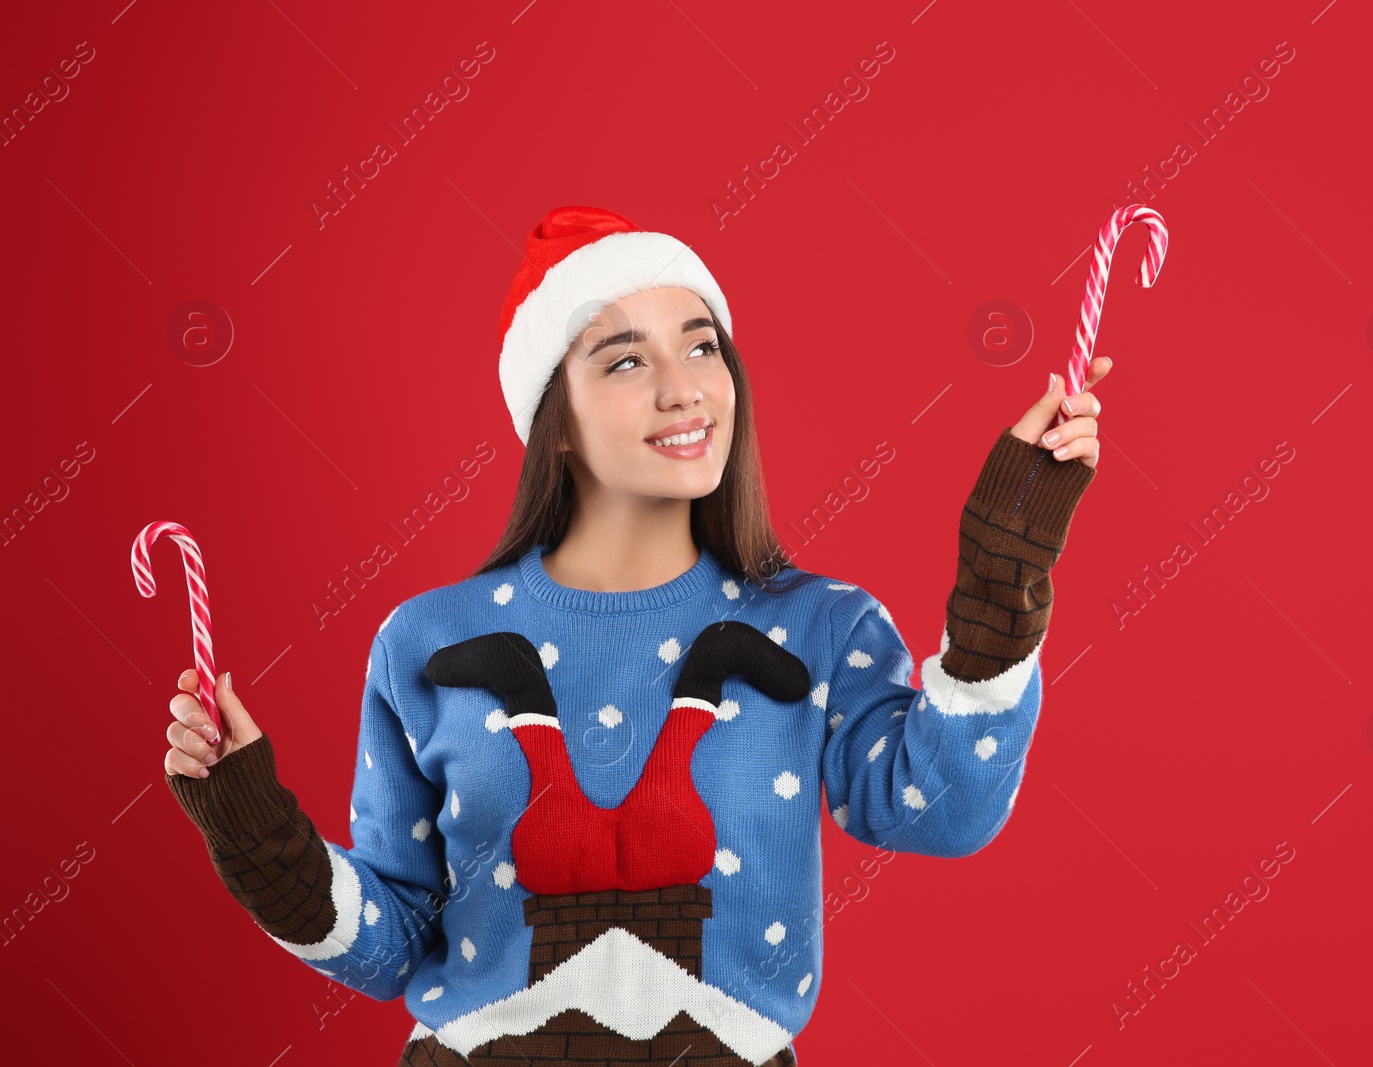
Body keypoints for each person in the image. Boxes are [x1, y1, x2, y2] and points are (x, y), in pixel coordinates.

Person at [163, 205, 1106, 1066]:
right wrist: (253, 830)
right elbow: (394, 945)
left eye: (702, 348)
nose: (683, 390)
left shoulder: (821, 626)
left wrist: (1003, 564)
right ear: (555, 420)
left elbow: (940, 809)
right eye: (624, 360)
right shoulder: (425, 641)